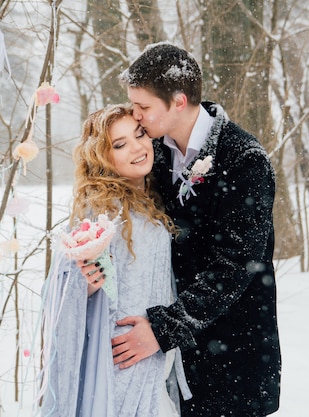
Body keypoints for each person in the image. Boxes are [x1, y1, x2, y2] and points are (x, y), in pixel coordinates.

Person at [110, 42, 282, 417]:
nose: (136, 118)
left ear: (178, 101)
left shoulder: (244, 161)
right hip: (174, 364)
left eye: (143, 107)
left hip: (233, 357)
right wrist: (96, 265)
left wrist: (162, 329)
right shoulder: (153, 153)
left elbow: (236, 266)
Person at [40, 104, 191, 417]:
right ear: (102, 157)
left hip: (152, 351)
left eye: (139, 135)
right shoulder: (102, 210)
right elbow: (66, 286)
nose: (137, 147)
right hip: (119, 360)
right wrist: (87, 284)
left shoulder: (151, 197)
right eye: (120, 144)